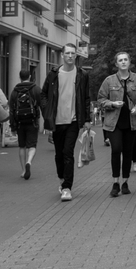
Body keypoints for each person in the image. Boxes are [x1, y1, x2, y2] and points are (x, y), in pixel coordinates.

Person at [41, 43, 92, 202]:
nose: (70, 56)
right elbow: (43, 95)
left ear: (76, 56)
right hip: (56, 122)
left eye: (73, 53)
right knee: (59, 154)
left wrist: (87, 119)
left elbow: (86, 98)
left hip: (73, 121)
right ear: (62, 55)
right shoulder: (53, 74)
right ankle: (62, 178)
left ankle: (67, 188)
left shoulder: (82, 75)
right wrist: (47, 113)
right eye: (67, 53)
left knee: (67, 153)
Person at [97, 51, 136, 197]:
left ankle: (125, 182)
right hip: (114, 123)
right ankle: (115, 182)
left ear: (129, 62)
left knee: (128, 152)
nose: (123, 62)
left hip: (132, 122)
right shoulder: (109, 81)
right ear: (116, 64)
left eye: (126, 59)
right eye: (120, 60)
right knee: (116, 149)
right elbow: (100, 99)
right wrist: (112, 103)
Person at [8, 68, 43, 180]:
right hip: (32, 121)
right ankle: (29, 161)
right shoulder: (36, 89)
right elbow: (43, 104)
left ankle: (23, 171)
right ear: (30, 77)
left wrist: (12, 126)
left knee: (22, 146)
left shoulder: (14, 91)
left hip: (19, 123)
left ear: (20, 77)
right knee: (32, 146)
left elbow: (11, 110)